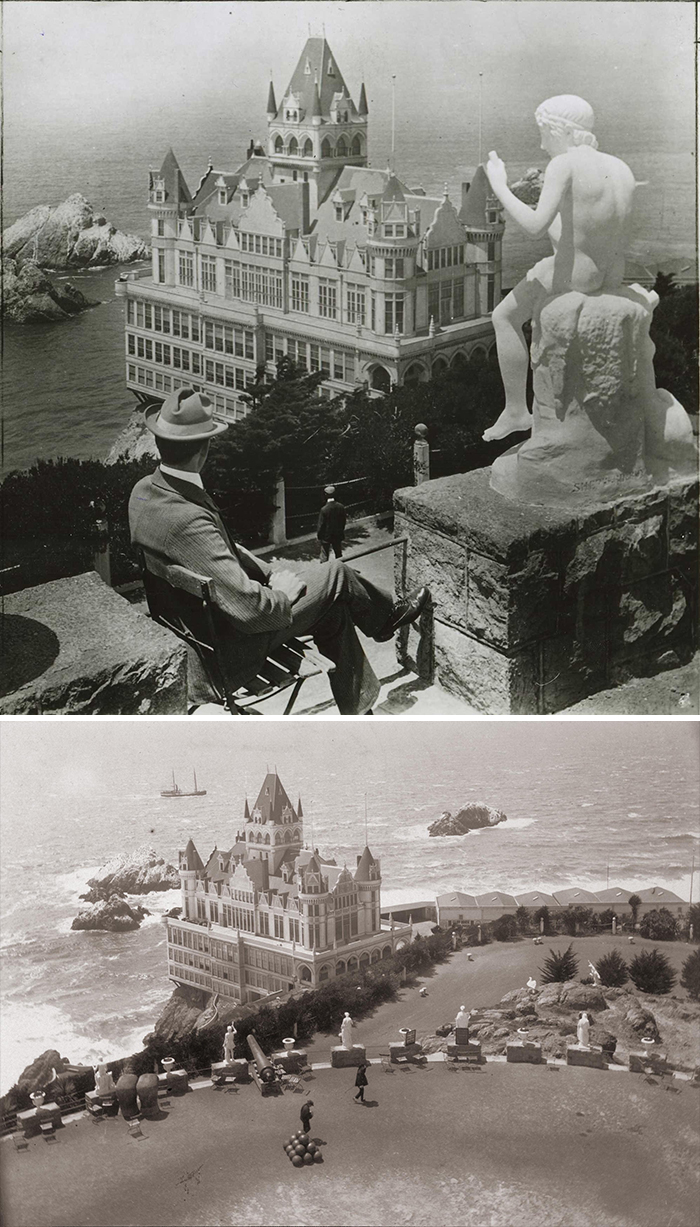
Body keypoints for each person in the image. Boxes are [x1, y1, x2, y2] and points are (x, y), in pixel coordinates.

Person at [129, 389, 431, 714]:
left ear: (159, 440)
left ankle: (361, 712)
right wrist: (282, 594)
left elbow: (218, 551)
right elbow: (250, 609)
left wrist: (270, 572)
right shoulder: (188, 519)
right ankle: (385, 620)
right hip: (228, 654)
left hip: (197, 640)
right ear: (204, 449)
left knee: (333, 613)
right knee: (337, 575)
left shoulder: (144, 492)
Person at [482, 95, 636, 442]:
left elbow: (535, 227)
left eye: (543, 134)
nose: (541, 144)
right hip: (611, 273)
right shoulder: (620, 167)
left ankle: (515, 410)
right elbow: (591, 229)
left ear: (559, 130)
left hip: (576, 276)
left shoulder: (563, 164)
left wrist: (500, 186)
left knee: (503, 317)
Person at [317, 486, 347, 561]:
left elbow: (321, 525)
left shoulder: (324, 509)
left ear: (325, 495)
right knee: (338, 554)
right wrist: (341, 531)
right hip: (337, 534)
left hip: (326, 537)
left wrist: (319, 536)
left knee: (324, 556)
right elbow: (343, 521)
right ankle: (340, 567)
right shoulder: (341, 507)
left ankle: (325, 568)